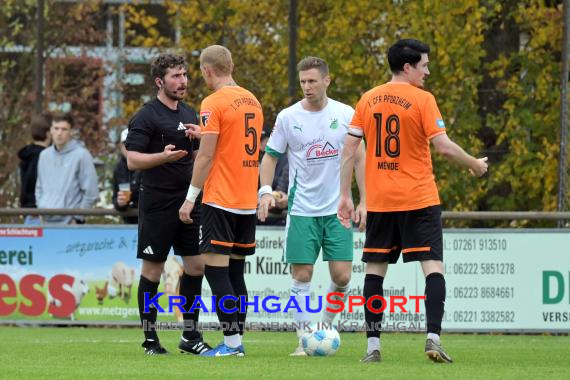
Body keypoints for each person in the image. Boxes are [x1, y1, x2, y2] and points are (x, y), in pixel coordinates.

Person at [337, 39, 488, 364]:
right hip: (418, 198)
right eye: (424, 65)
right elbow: (444, 147)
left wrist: (345, 195)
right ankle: (433, 338)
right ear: (407, 67)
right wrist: (475, 163)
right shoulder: (423, 99)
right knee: (432, 267)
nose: (427, 72)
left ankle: (372, 347)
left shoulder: (368, 98)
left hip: (379, 202)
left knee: (375, 272)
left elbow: (349, 149)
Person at [258, 56, 366, 356]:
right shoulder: (288, 117)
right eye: (303, 82)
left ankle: (325, 328)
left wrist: (365, 201)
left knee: (342, 276)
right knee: (302, 275)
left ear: (327, 80)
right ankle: (305, 339)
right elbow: (270, 156)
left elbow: (359, 157)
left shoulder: (346, 114)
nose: (307, 87)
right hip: (302, 210)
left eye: (312, 81)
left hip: (338, 210)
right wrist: (265, 190)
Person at [179, 45, 263, 357]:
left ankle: (231, 345)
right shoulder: (251, 99)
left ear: (207, 71)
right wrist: (205, 131)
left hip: (220, 199)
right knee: (236, 274)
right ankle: (236, 340)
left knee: (216, 273)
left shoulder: (213, 102)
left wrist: (190, 199)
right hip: (246, 199)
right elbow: (233, 140)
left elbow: (206, 157)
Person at [125, 53, 210, 355]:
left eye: (185, 74)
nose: (183, 80)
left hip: (188, 201)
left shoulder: (189, 111)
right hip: (158, 204)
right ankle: (150, 340)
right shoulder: (146, 115)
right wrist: (163, 156)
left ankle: (190, 336)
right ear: (160, 81)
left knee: (196, 266)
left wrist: (200, 140)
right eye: (176, 76)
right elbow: (132, 160)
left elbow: (204, 154)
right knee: (153, 271)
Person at [35, 112, 99, 224]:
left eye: (64, 129)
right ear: (51, 130)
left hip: (71, 224)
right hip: (46, 221)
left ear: (71, 132)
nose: (59, 133)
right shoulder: (44, 156)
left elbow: (91, 192)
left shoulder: (82, 155)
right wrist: (41, 209)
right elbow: (39, 188)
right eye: (56, 128)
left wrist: (77, 218)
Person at [18, 113, 52, 224]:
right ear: (48, 133)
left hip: (28, 212)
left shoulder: (27, 156)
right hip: (40, 213)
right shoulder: (44, 157)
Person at [258, 125, 288, 225]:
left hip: (276, 216)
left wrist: (276, 196)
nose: (262, 144)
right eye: (260, 140)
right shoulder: (250, 159)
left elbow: (281, 191)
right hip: (252, 213)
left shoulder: (285, 160)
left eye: (265, 140)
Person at [112, 128, 141, 224]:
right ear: (120, 146)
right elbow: (115, 198)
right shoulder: (118, 168)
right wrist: (120, 203)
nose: (129, 147)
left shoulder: (149, 163)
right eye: (126, 144)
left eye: (133, 143)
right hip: (129, 222)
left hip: (150, 221)